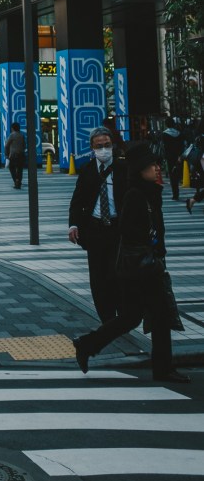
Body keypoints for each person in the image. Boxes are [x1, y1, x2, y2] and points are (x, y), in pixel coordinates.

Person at [73, 141, 189, 384]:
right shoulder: (136, 194)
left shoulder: (147, 191)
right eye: (152, 165)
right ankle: (163, 368)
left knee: (133, 317)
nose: (157, 168)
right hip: (140, 267)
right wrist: (150, 244)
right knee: (156, 315)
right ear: (140, 169)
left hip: (142, 265)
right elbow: (127, 230)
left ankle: (86, 345)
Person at [68, 125, 128, 322]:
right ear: (92, 148)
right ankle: (106, 317)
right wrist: (74, 224)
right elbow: (77, 200)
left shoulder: (123, 169)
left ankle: (121, 310)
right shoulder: (87, 170)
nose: (103, 149)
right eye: (99, 146)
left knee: (116, 273)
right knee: (98, 276)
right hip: (94, 229)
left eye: (107, 145)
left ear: (113, 145)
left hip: (118, 228)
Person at [161, 117, 184, 200]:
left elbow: (165, 147)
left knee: (172, 175)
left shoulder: (164, 134)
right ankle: (177, 192)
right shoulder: (179, 133)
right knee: (177, 174)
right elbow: (182, 146)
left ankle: (175, 194)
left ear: (166, 124)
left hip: (170, 157)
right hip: (178, 157)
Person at [5, 121, 26, 189]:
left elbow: (6, 145)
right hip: (21, 154)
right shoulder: (21, 135)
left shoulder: (12, 135)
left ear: (12, 128)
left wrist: (6, 155)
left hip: (13, 155)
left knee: (12, 168)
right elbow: (24, 145)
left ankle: (16, 181)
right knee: (20, 169)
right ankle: (18, 181)